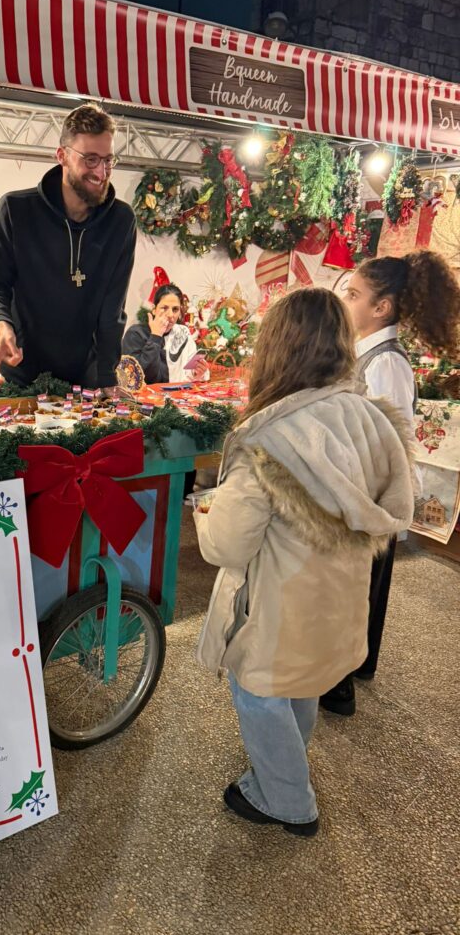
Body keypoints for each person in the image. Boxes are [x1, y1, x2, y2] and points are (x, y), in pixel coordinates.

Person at [193, 288, 414, 836]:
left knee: (259, 693)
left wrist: (205, 511)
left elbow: (226, 546)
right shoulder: (370, 421)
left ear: (276, 349)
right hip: (337, 601)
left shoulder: (267, 440)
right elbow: (394, 510)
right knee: (307, 679)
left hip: (276, 610)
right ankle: (286, 764)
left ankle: (286, 799)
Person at [320, 250, 460, 716]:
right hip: (358, 494)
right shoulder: (365, 354)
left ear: (382, 307)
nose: (347, 301)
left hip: (370, 498)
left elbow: (386, 443)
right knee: (355, 589)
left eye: (355, 294)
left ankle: (339, 684)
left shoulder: (387, 364)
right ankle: (349, 668)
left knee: (358, 591)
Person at [0, 103, 136, 388]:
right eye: (90, 159)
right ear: (62, 156)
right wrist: (2, 325)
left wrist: (109, 379)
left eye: (108, 160)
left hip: (84, 379)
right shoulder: (15, 210)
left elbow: (112, 311)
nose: (101, 172)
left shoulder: (121, 221)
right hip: (22, 374)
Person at [121, 283, 208, 383]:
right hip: (146, 397)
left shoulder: (182, 332)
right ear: (154, 310)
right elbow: (134, 376)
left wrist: (197, 372)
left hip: (179, 395)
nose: (170, 315)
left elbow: (189, 375)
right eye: (164, 308)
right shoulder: (136, 333)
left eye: (175, 309)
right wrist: (155, 336)